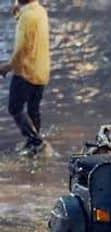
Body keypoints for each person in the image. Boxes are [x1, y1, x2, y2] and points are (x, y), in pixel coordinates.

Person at [0, 0, 49, 156]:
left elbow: (21, 49)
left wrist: (6, 67)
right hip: (42, 70)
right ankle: (34, 146)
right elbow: (28, 31)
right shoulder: (40, 11)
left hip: (26, 72)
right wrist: (17, 12)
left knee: (15, 107)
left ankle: (36, 141)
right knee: (33, 109)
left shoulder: (26, 17)